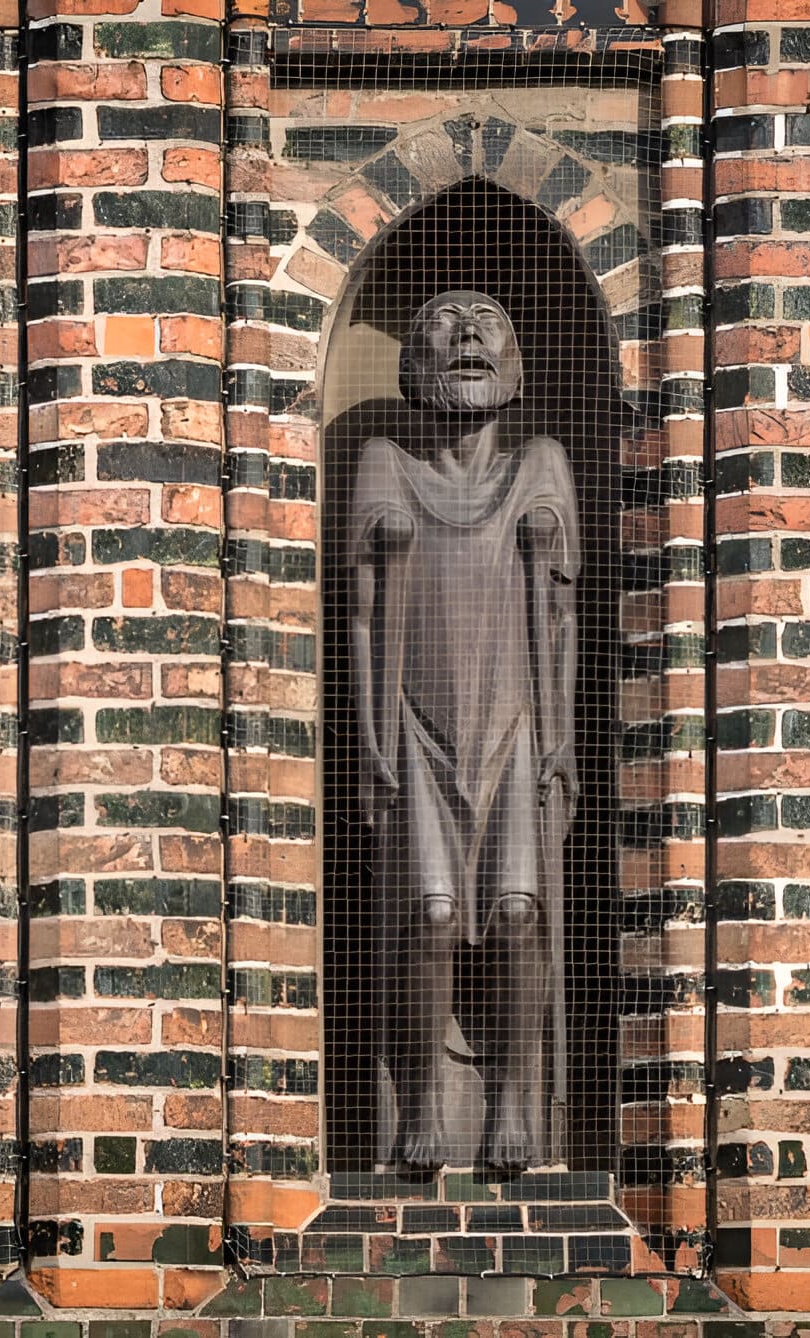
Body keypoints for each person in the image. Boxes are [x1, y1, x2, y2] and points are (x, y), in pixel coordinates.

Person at [348, 291, 578, 1170]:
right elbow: (365, 617)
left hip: (513, 725)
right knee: (433, 915)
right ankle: (418, 1105)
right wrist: (372, 740)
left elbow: (558, 621)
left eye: (490, 321)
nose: (470, 334)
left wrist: (558, 743)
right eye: (441, 321)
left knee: (521, 914)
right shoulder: (384, 463)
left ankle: (516, 1100)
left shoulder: (541, 462)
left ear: (515, 368)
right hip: (415, 727)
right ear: (412, 366)